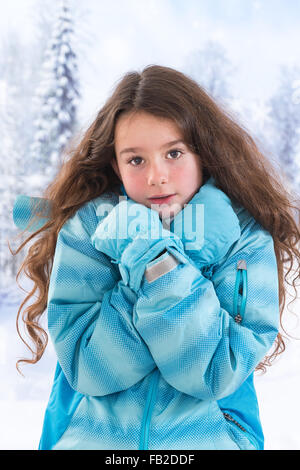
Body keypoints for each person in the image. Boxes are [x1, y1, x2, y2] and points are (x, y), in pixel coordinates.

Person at [11, 65, 300, 450]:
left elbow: (215, 372)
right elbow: (91, 369)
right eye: (136, 160)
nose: (156, 176)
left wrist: (161, 261)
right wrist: (144, 256)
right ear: (115, 164)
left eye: (174, 153)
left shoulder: (244, 238)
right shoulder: (86, 232)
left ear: (205, 152)